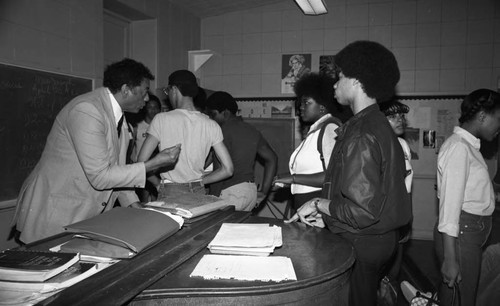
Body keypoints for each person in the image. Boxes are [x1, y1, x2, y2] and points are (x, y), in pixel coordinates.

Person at [286, 40, 411, 306]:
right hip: (378, 239)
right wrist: (330, 220)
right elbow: (376, 197)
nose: (334, 84)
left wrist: (318, 202)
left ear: (356, 80)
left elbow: (362, 211)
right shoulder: (376, 124)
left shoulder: (362, 133)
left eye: (340, 77)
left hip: (363, 242)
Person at [12, 58, 181, 244]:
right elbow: (100, 176)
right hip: (57, 213)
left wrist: (134, 205)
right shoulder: (87, 111)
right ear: (126, 90)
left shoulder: (120, 118)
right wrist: (153, 164)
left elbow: (117, 171)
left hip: (84, 214)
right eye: (145, 92)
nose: (147, 98)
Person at [434, 89, 500, 306]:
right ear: (482, 116)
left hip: (467, 234)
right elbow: (450, 208)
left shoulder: (467, 147)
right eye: (498, 119)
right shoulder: (459, 148)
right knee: (460, 300)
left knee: (459, 297)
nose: (499, 126)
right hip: (461, 235)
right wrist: (450, 259)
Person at [138, 70, 233, 197]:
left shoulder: (161, 119)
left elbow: (141, 163)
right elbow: (228, 169)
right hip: (198, 191)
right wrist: (199, 182)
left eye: (167, 91)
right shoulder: (211, 124)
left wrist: (157, 184)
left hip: (170, 190)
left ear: (174, 89)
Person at [274, 72, 342, 211]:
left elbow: (334, 175)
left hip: (318, 205)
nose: (301, 107)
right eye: (301, 102)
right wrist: (285, 180)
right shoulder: (316, 130)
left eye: (307, 102)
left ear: (322, 106)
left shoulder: (329, 128)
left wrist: (293, 179)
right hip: (306, 203)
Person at [205, 91, 278, 211]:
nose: (211, 119)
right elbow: (272, 158)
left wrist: (212, 198)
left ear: (225, 112)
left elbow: (220, 171)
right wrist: (264, 191)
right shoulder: (252, 130)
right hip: (249, 192)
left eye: (213, 114)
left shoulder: (221, 132)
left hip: (229, 192)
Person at [378, 100, 414, 304]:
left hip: (401, 216)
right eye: (392, 116)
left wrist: (409, 215)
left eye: (401, 116)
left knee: (394, 272)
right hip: (385, 219)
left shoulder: (402, 145)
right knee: (378, 273)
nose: (400, 120)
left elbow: (408, 184)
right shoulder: (378, 146)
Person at [130, 94, 162, 202]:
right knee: (143, 201)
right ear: (145, 109)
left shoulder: (161, 126)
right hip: (141, 170)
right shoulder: (137, 126)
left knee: (157, 200)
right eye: (150, 107)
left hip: (157, 169)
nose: (153, 111)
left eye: (156, 107)